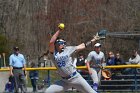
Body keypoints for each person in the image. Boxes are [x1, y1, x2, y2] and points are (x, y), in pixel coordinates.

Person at [45, 23, 100, 93]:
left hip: (75, 78)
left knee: (92, 92)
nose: (63, 44)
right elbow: (51, 42)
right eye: (61, 43)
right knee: (48, 91)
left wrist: (94, 39)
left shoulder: (68, 49)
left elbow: (83, 46)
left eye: (63, 42)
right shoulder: (53, 54)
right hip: (64, 81)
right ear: (56, 44)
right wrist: (59, 30)